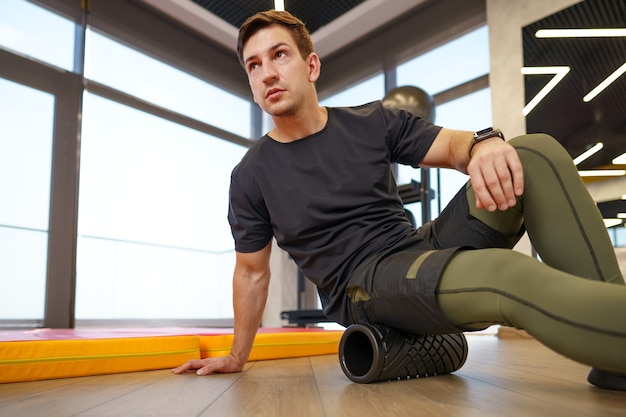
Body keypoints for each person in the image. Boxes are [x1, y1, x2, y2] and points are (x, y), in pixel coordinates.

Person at [173, 10, 626, 389]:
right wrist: (237, 355)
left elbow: (454, 146)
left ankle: (612, 357)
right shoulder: (250, 175)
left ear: (310, 66)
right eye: (253, 66)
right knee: (506, 274)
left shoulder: (372, 122)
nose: (266, 72)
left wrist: (484, 144)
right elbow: (252, 273)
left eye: (278, 55)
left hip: (419, 246)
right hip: (363, 284)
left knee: (534, 152)